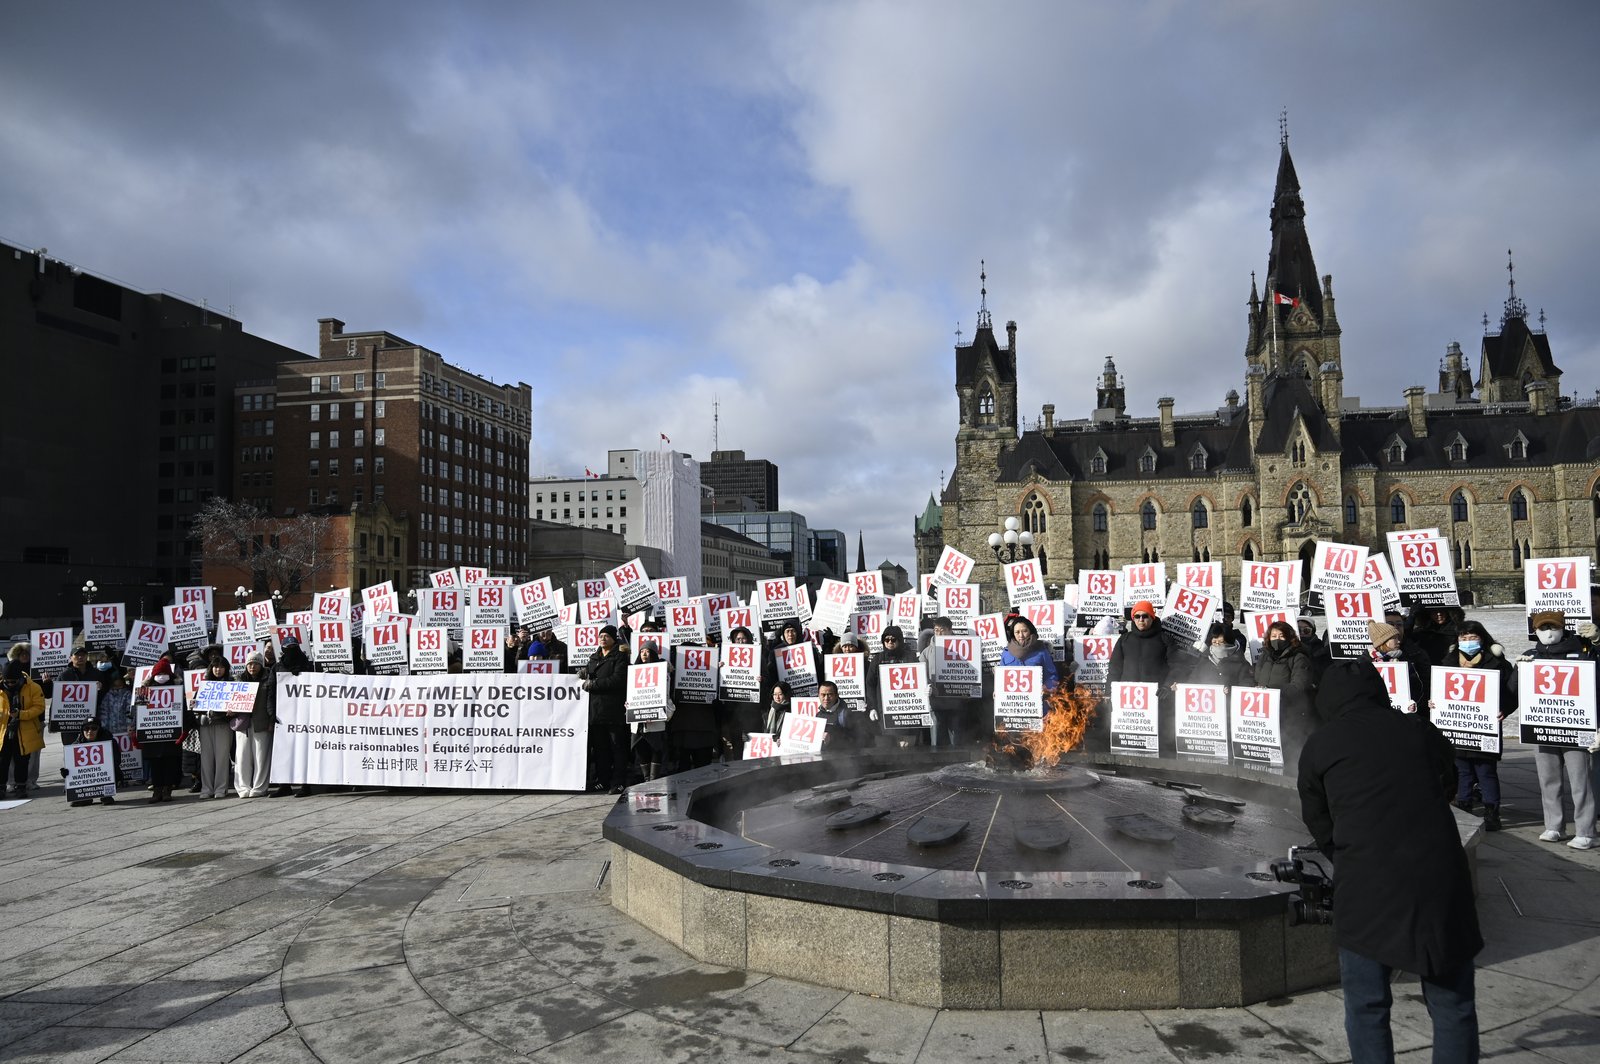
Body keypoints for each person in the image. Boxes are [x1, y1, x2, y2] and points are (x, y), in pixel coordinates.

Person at [1298, 660, 1481, 1064]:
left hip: (1367, 881)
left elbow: (1318, 818)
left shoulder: (1322, 744)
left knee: (1367, 1005)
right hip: (1439, 875)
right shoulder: (1418, 729)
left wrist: (1345, 853)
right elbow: (1447, 780)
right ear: (1378, 691)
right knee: (1453, 1004)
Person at [1521, 609, 1598, 849]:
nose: (1548, 632)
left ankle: (1586, 830)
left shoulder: (1583, 652)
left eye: (1553, 627)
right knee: (1548, 779)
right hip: (1543, 725)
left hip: (1575, 727)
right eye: (1543, 628)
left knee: (1581, 780)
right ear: (1535, 631)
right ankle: (1554, 825)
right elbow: (1513, 692)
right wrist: (1515, 671)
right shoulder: (1531, 655)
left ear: (1563, 627)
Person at [1432, 619, 1516, 832]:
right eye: (1464, 638)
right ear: (1457, 640)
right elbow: (1439, 688)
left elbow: (1512, 693)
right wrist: (1434, 702)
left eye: (1473, 637)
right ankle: (1465, 807)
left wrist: (1504, 709)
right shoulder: (1448, 661)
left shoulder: (1496, 662)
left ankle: (1491, 813)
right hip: (1458, 728)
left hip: (1484, 727)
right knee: (1462, 772)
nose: (1468, 641)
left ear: (1482, 638)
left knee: (1486, 772)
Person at [1253, 620, 1318, 762]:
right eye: (1273, 636)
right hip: (1265, 716)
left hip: (1289, 715)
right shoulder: (1264, 656)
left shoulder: (1299, 657)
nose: (1277, 639)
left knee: (1288, 756)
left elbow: (1299, 686)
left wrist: (1272, 692)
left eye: (1281, 636)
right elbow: (1257, 679)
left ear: (1289, 637)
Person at [580, 625, 629, 792]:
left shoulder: (620, 656)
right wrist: (584, 673)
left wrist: (595, 684)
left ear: (614, 639)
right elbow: (591, 674)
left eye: (606, 636)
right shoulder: (594, 657)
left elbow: (618, 679)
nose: (602, 638)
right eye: (600, 635)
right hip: (596, 712)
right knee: (601, 748)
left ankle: (618, 782)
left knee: (617, 747)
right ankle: (603, 780)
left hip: (613, 710)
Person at [133, 657, 184, 803]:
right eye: (158, 674)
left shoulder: (177, 690)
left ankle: (167, 789)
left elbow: (181, 711)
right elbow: (138, 712)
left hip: (170, 734)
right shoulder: (144, 691)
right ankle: (157, 790)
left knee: (170, 764)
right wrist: (136, 733)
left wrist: (183, 730)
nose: (161, 677)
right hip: (151, 736)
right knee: (155, 765)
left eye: (164, 673)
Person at [0, 660, 46, 797]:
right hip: (3, 730)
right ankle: (1, 788)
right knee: (2, 760)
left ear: (20, 678)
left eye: (13, 681)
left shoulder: (33, 687)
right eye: (7, 681)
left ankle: (21, 787)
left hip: (25, 730)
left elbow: (39, 707)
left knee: (22, 760)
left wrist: (21, 714)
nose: (9, 684)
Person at [1365, 620, 1427, 715]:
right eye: (1394, 638)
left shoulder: (1403, 659)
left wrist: (1411, 703)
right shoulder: (1365, 662)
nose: (1399, 641)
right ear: (1383, 642)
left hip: (1400, 716)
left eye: (1398, 637)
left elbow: (1417, 687)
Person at [195, 656, 235, 799]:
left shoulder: (231, 683)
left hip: (223, 724)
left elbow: (237, 703)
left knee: (222, 757)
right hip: (206, 724)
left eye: (221, 667)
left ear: (226, 669)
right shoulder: (204, 684)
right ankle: (206, 788)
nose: (218, 670)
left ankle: (221, 788)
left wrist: (233, 710)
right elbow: (195, 704)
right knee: (206, 758)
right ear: (211, 668)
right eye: (215, 667)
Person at [236, 653, 275, 798]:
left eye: (256, 663)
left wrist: (271, 721)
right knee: (242, 757)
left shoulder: (268, 679)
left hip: (261, 722)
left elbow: (271, 701)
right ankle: (243, 787)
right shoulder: (239, 680)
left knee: (261, 756)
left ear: (261, 665)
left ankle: (259, 787)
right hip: (242, 723)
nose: (252, 667)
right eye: (250, 664)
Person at [65, 715, 122, 806]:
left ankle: (106, 794)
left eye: (94, 728)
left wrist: (105, 767)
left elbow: (117, 760)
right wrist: (66, 772)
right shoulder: (76, 745)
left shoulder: (109, 742)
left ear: (99, 730)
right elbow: (70, 764)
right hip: (87, 776)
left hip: (106, 773)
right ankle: (85, 797)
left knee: (114, 771)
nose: (89, 731)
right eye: (86, 729)